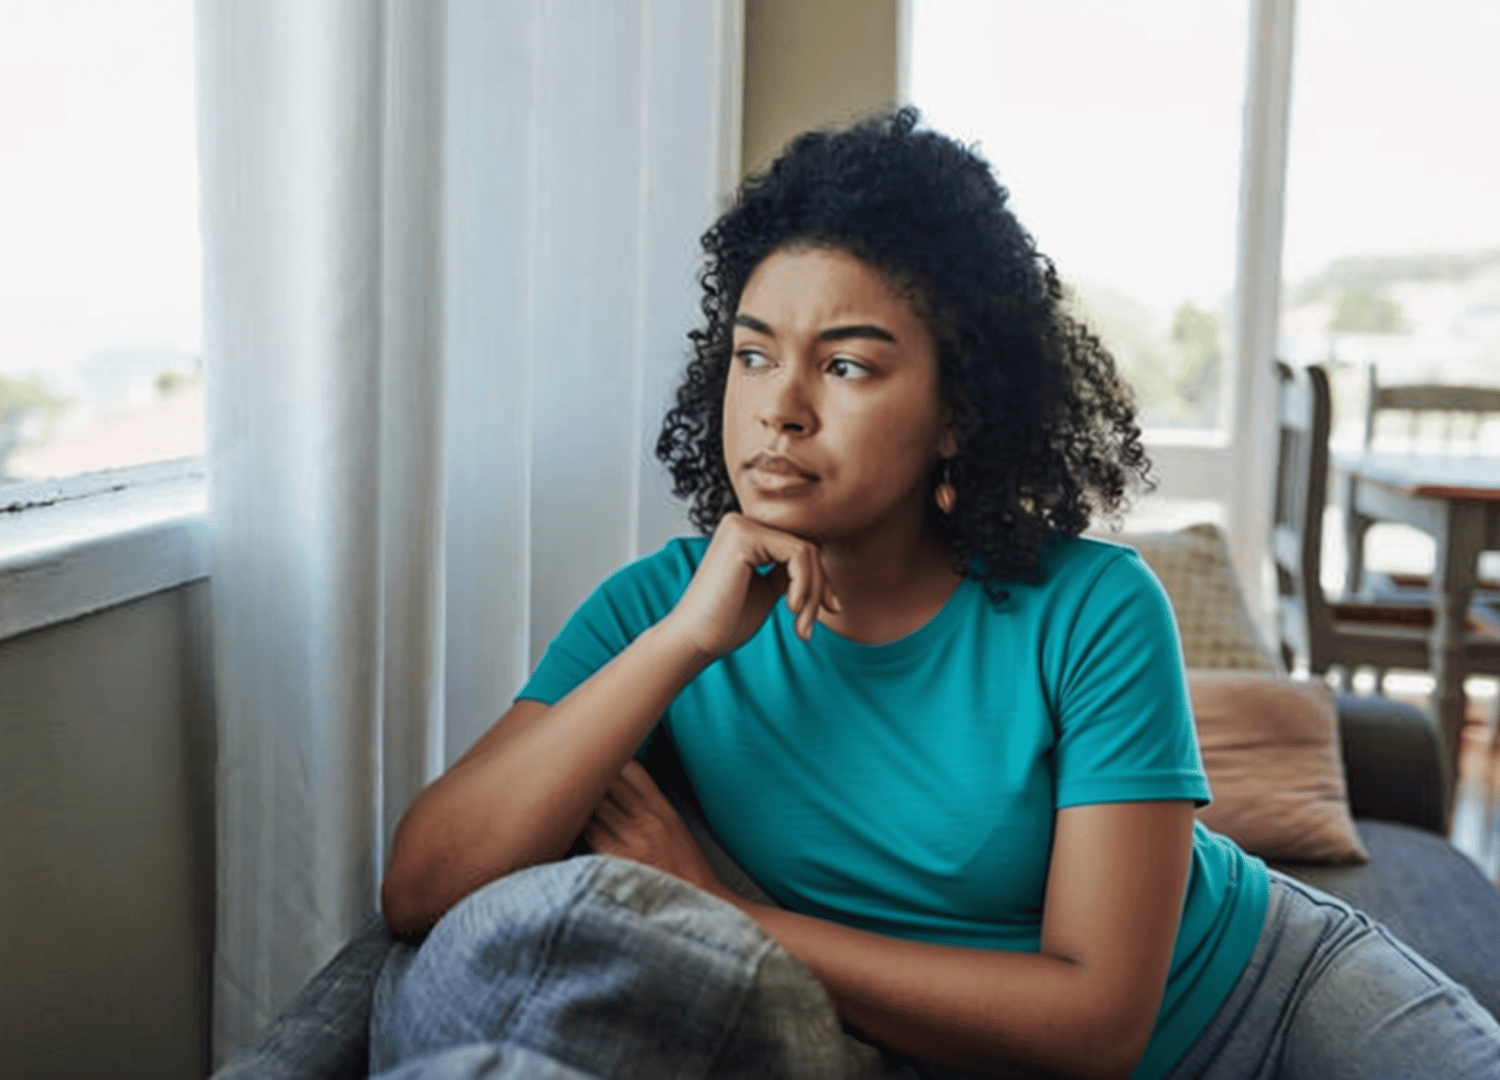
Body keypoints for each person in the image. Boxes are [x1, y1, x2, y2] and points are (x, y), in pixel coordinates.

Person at [378, 109, 1500, 1079]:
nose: (781, 408)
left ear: (961, 410)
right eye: (754, 354)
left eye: (849, 365)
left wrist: (727, 915)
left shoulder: (1094, 607)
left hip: (1265, 1003)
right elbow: (422, 888)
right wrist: (680, 645)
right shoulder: (659, 613)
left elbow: (1100, 1024)